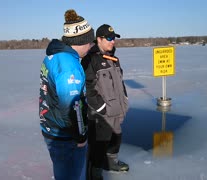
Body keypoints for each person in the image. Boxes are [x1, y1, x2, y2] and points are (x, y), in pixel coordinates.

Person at [39, 9, 94, 180]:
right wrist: (80, 137)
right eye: (90, 41)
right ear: (82, 41)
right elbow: (72, 106)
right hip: (65, 136)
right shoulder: (69, 66)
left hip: (50, 127)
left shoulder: (54, 56)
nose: (92, 46)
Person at [81, 24, 129, 180]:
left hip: (116, 110)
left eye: (113, 38)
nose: (112, 41)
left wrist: (125, 99)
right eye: (109, 38)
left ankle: (111, 163)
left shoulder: (114, 58)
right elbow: (88, 89)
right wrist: (102, 108)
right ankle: (94, 174)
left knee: (116, 139)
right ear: (99, 39)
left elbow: (120, 83)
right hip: (100, 115)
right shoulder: (90, 59)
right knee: (98, 147)